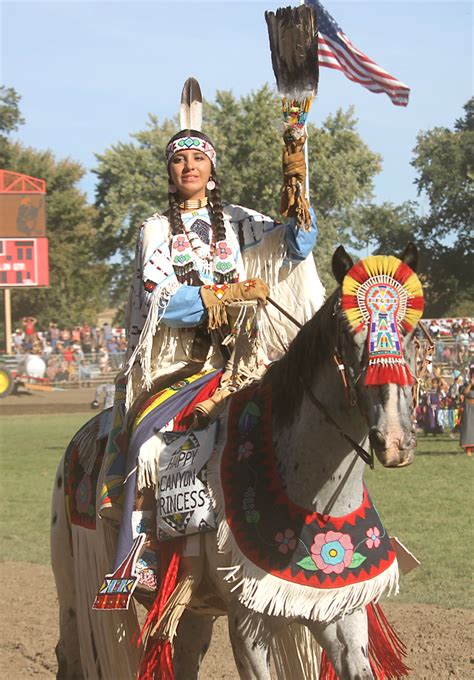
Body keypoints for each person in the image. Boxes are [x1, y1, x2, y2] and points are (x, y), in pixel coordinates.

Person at [99, 90, 325, 599]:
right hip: (179, 365)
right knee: (148, 439)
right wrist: (224, 294)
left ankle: (303, 525)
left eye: (197, 157)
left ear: (212, 168)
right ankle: (142, 553)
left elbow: (295, 246)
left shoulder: (238, 222)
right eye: (178, 159)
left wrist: (297, 172)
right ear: (169, 171)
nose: (188, 166)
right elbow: (162, 303)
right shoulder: (155, 230)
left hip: (243, 359)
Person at [459, 366, 474, 456]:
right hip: (469, 408)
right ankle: (468, 449)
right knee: (469, 429)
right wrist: (470, 384)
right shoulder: (466, 384)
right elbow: (464, 392)